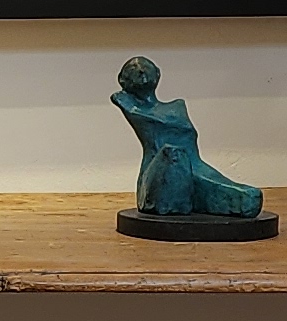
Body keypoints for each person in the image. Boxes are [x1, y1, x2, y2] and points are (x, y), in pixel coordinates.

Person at [111, 55, 264, 219]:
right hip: (161, 169)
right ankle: (176, 201)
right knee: (173, 154)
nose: (141, 71)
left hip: (195, 166)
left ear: (158, 73)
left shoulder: (177, 107)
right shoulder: (127, 104)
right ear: (122, 79)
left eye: (146, 67)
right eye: (133, 69)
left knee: (248, 197)